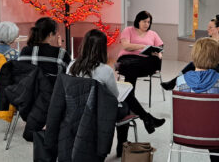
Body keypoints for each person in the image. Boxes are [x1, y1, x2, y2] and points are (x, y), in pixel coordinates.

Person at [67, 29, 128, 158]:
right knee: (126, 106)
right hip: (98, 113)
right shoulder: (105, 70)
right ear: (102, 48)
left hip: (75, 110)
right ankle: (122, 148)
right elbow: (114, 96)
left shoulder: (71, 66)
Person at [176, 37, 219, 162]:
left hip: (185, 132)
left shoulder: (180, 80)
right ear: (216, 57)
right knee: (214, 118)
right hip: (216, 134)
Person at [116, 11, 165, 132]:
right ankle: (147, 117)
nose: (147, 24)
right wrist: (142, 47)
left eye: (149, 22)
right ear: (138, 20)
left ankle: (146, 117)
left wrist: (158, 54)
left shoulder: (153, 34)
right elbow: (126, 46)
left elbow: (160, 49)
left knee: (154, 60)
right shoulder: (128, 30)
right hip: (128, 60)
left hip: (143, 63)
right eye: (144, 21)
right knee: (130, 69)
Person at [161, 14, 219, 90]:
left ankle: (175, 83)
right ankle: (175, 82)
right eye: (208, 27)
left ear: (217, 29)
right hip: (206, 65)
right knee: (192, 64)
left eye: (210, 27)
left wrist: (214, 61)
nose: (207, 29)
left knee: (198, 67)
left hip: (218, 67)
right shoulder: (207, 40)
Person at [18, 17, 71, 85]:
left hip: (28, 94)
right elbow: (69, 76)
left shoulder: (24, 51)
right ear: (50, 34)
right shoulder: (60, 53)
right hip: (53, 94)